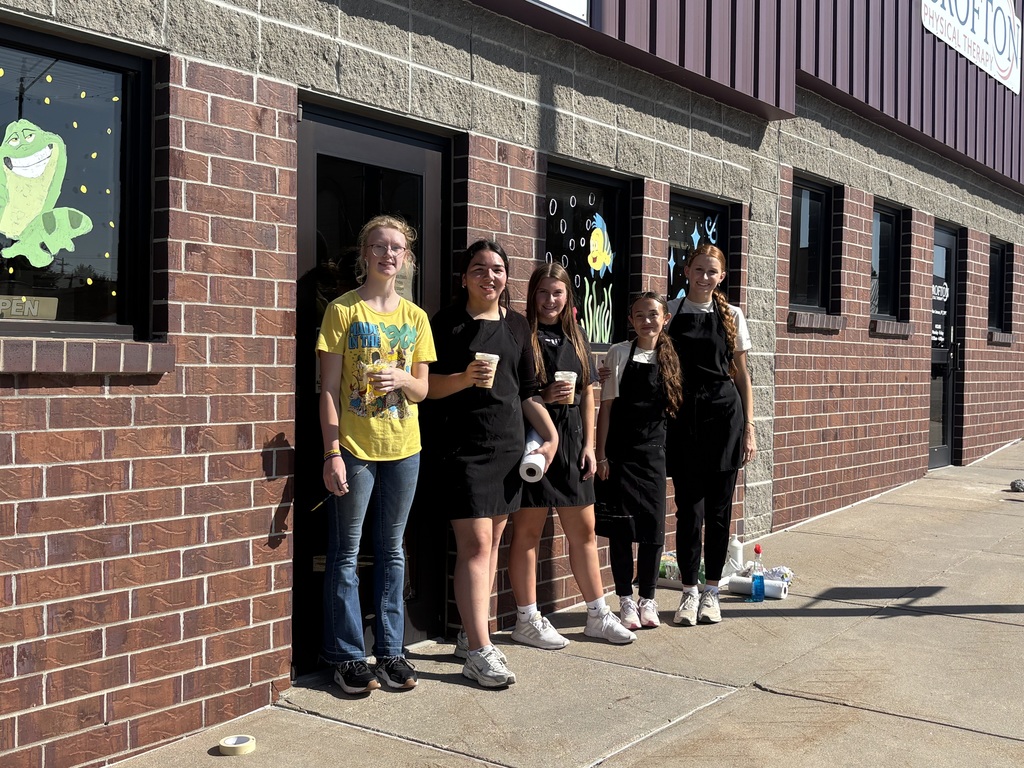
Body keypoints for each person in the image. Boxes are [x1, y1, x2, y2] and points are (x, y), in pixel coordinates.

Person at [427, 240, 559, 688]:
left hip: (506, 448)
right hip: (462, 448)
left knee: (494, 541)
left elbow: (525, 391)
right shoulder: (443, 324)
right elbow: (425, 388)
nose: (490, 276)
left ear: (507, 278)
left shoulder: (519, 325)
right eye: (480, 268)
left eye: (498, 269)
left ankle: (470, 634)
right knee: (477, 547)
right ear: (464, 277)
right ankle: (481, 652)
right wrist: (464, 378)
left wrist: (551, 435)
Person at [317, 215, 436, 694]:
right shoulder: (343, 311)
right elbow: (326, 389)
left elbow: (424, 387)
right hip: (354, 448)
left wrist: (406, 381)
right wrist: (332, 453)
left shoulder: (416, 318)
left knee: (392, 551)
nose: (389, 254)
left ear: (406, 257)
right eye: (379, 246)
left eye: (397, 248)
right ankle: (347, 657)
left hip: (404, 448)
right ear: (364, 254)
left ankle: (390, 651)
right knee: (345, 554)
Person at [507, 263, 637, 649]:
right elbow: (512, 394)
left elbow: (590, 393)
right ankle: (526, 618)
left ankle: (597, 614)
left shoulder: (577, 336)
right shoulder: (519, 333)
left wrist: (591, 447)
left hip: (573, 442)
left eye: (557, 293)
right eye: (543, 292)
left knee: (583, 531)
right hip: (533, 441)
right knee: (527, 534)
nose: (550, 300)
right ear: (532, 295)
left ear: (568, 298)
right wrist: (543, 397)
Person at [667, 243, 756, 627]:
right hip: (685, 420)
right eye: (698, 269)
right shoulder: (669, 312)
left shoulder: (733, 315)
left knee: (719, 513)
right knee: (689, 510)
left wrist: (750, 428)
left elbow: (742, 376)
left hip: (725, 419)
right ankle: (688, 592)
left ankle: (712, 592)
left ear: (722, 277)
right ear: (686, 271)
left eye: (712, 272)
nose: (704, 277)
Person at [595, 292, 683, 631]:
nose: (647, 320)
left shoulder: (673, 358)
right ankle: (625, 601)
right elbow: (607, 408)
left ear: (665, 319)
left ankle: (648, 598)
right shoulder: (618, 353)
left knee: (652, 530)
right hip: (620, 453)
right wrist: (601, 454)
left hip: (654, 455)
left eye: (653, 314)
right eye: (639, 315)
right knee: (620, 530)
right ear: (630, 321)